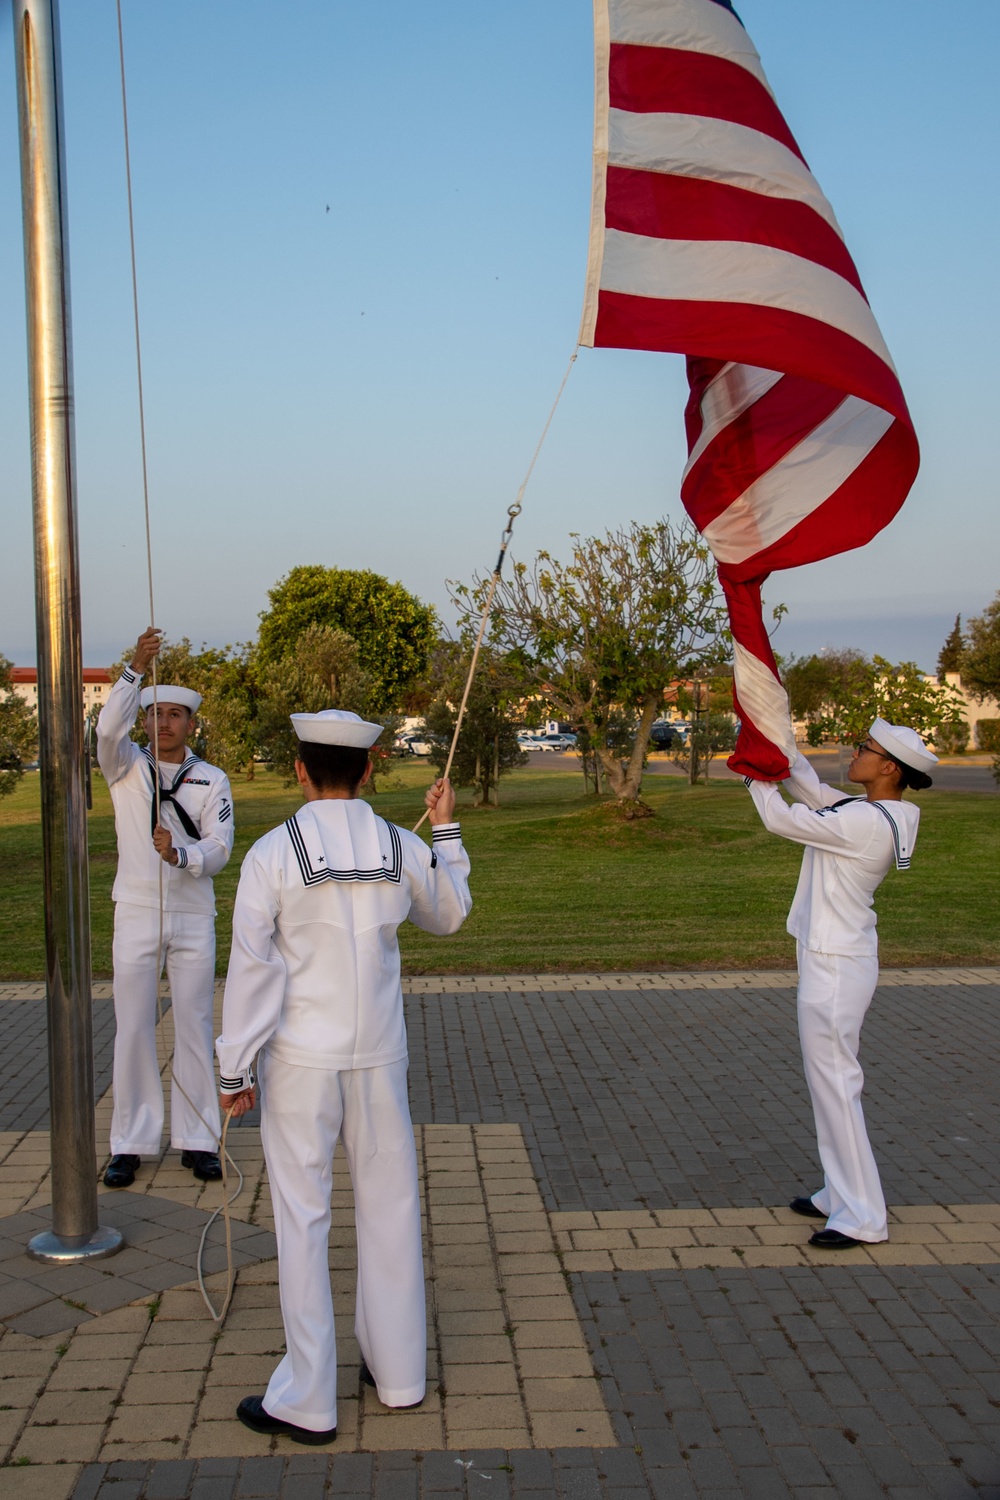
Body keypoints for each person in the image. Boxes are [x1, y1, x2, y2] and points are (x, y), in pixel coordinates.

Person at [216, 708, 472, 1446]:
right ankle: (398, 1376)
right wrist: (446, 828)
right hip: (379, 1057)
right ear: (368, 769)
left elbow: (254, 972)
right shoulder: (400, 843)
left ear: (299, 770)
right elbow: (449, 916)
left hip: (300, 1059)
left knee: (304, 1217)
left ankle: (308, 1398)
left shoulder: (272, 852)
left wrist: (234, 1067)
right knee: (390, 1206)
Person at [744, 719, 937, 1249]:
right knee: (828, 1083)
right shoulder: (878, 812)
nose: (854, 754)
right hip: (835, 957)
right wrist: (781, 746)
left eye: (864, 750)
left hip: (834, 965)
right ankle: (838, 1191)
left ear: (889, 768)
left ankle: (862, 1216)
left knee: (836, 1087)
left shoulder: (866, 823)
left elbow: (784, 820)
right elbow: (813, 791)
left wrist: (755, 776)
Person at [97, 626, 235, 1188]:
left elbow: (220, 847)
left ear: (191, 725)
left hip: (191, 914)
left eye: (176, 715)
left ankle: (199, 1139)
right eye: (155, 714)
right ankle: (130, 1142)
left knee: (196, 1025)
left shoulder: (211, 778)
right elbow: (107, 728)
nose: (164, 724)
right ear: (145, 720)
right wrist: (134, 667)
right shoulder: (125, 766)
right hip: (134, 910)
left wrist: (182, 854)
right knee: (131, 1025)